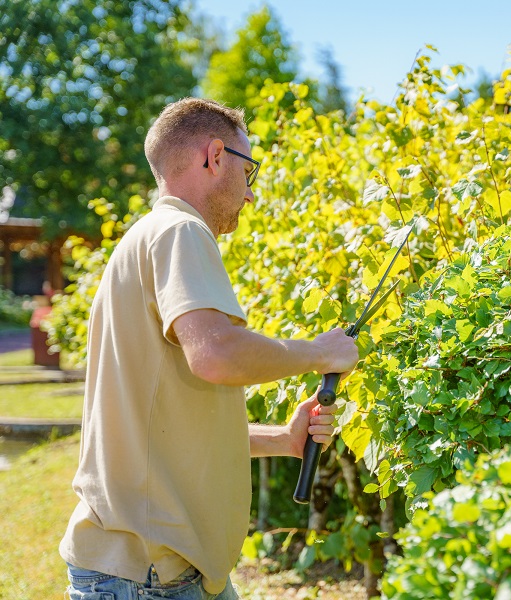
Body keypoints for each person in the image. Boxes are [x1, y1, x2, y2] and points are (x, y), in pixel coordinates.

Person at [59, 97, 359, 599]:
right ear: (214, 156)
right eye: (250, 170)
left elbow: (170, 426)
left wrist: (283, 439)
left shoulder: (149, 237)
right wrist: (320, 352)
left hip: (161, 570)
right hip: (149, 577)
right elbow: (215, 355)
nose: (250, 195)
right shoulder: (181, 231)